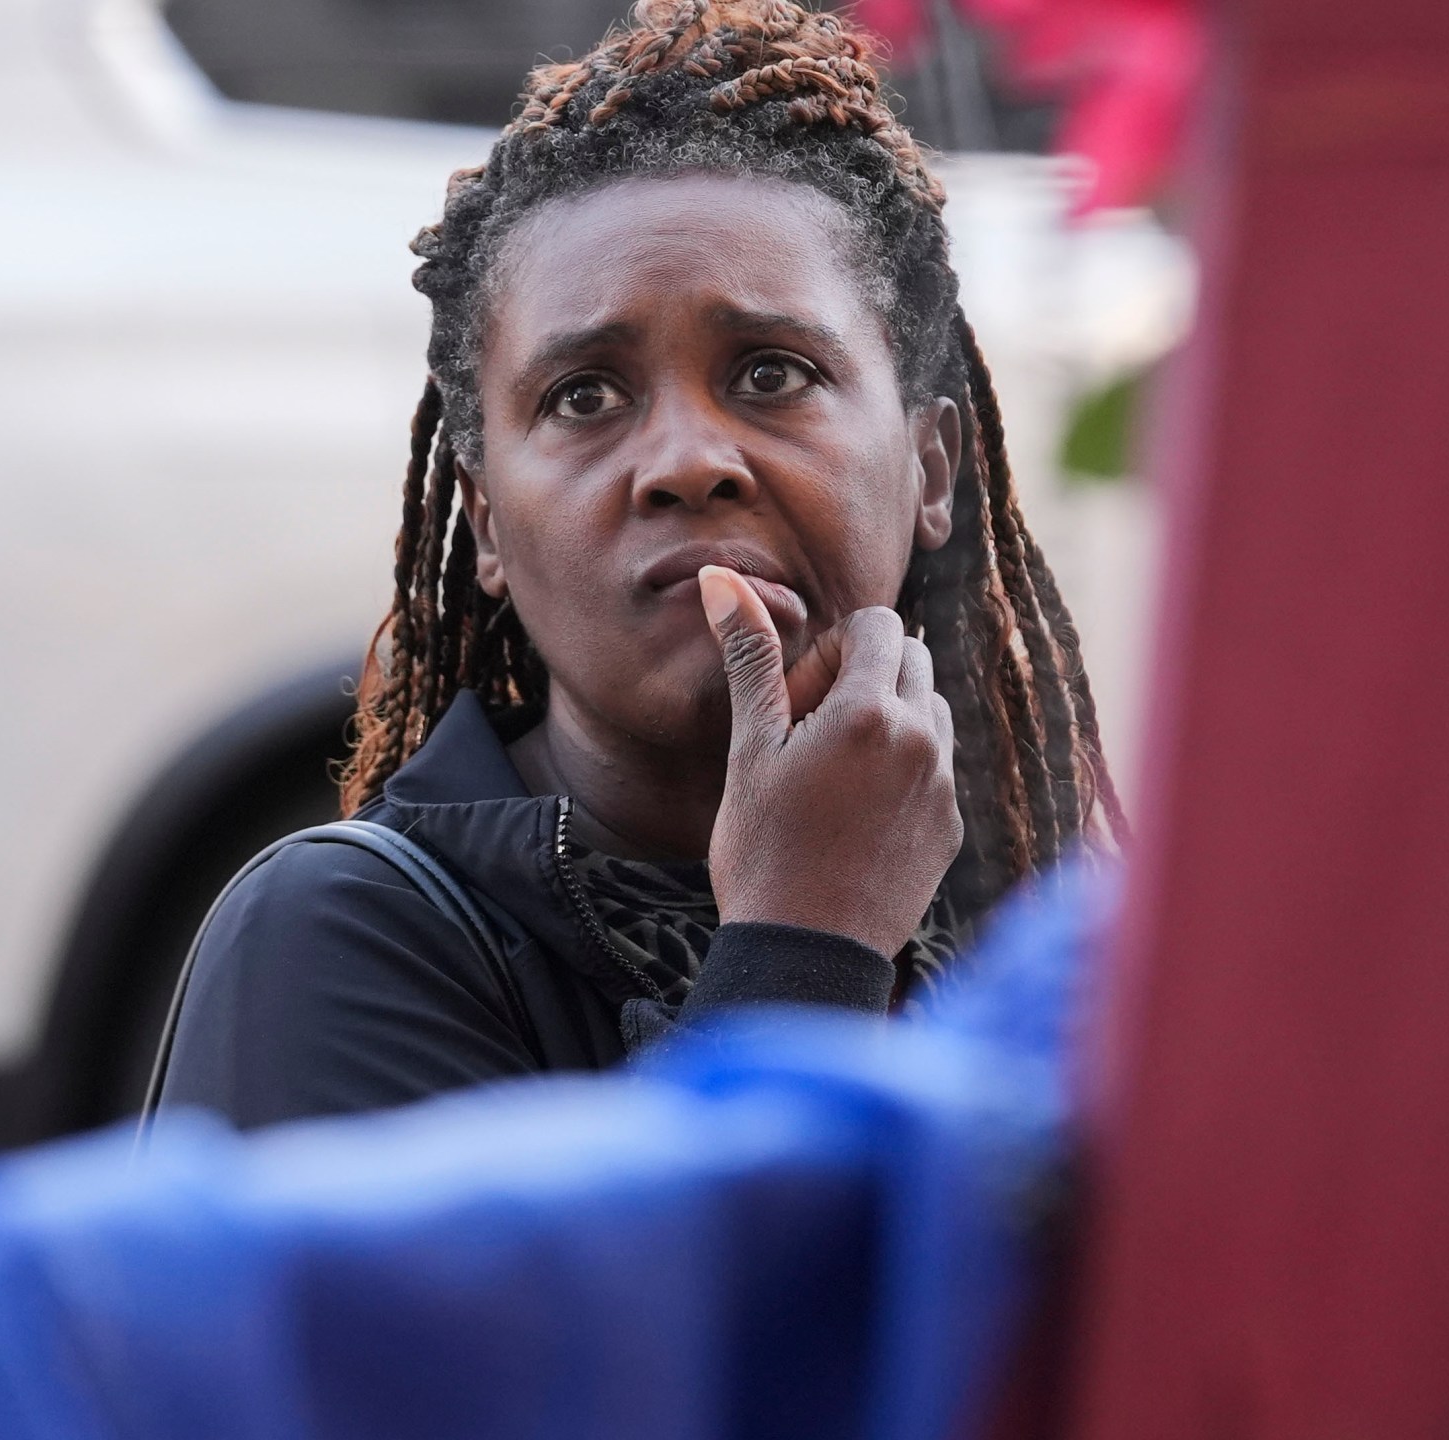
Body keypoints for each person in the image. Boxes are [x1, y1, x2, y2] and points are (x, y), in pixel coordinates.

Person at [158, 0, 1120, 1129]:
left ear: (932, 470)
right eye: (584, 397)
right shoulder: (338, 934)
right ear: (485, 530)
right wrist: (806, 943)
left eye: (770, 373)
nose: (686, 463)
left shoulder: (1048, 937)